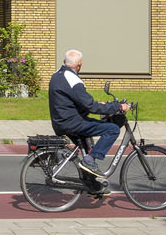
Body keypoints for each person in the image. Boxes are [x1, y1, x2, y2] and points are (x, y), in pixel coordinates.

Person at [48, 49, 127, 184]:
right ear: (79, 64)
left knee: (88, 145)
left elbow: (70, 101)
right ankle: (89, 161)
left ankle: (93, 185)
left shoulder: (56, 75)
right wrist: (117, 107)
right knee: (112, 129)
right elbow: (90, 106)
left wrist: (98, 105)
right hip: (73, 123)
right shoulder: (73, 79)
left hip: (61, 121)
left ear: (64, 62)